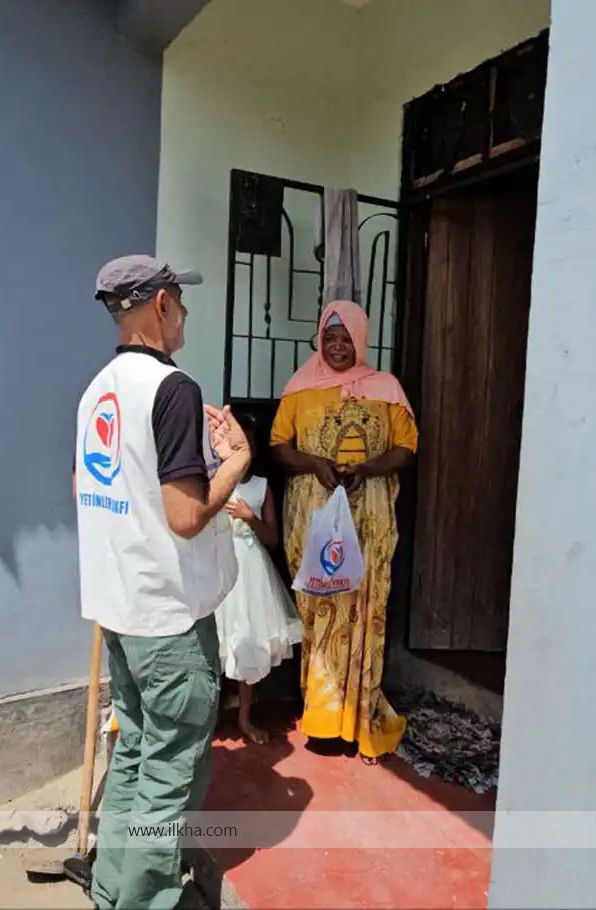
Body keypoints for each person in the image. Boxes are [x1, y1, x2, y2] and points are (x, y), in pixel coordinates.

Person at [73, 255, 252, 910]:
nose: (186, 312)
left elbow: (87, 487)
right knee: (168, 775)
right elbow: (184, 515)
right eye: (180, 299)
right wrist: (236, 458)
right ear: (158, 306)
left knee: (135, 755)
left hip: (120, 611)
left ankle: (111, 890)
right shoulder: (171, 389)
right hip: (169, 620)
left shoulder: (98, 392)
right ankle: (145, 900)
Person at [269, 299, 417, 765]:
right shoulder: (299, 387)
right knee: (321, 606)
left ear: (361, 339)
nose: (337, 346)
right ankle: (322, 714)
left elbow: (407, 447)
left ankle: (359, 714)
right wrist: (313, 462)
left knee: (365, 603)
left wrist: (370, 467)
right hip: (315, 518)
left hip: (368, 518)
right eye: (330, 338)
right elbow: (277, 445)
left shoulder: (386, 388)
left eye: (346, 338)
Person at [214, 412, 303, 745]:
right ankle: (209, 716)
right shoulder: (216, 480)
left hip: (251, 572)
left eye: (249, 444)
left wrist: (250, 518)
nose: (244, 450)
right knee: (217, 642)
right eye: (239, 443)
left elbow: (273, 539)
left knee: (249, 641)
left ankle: (244, 717)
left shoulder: (260, 487)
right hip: (219, 567)